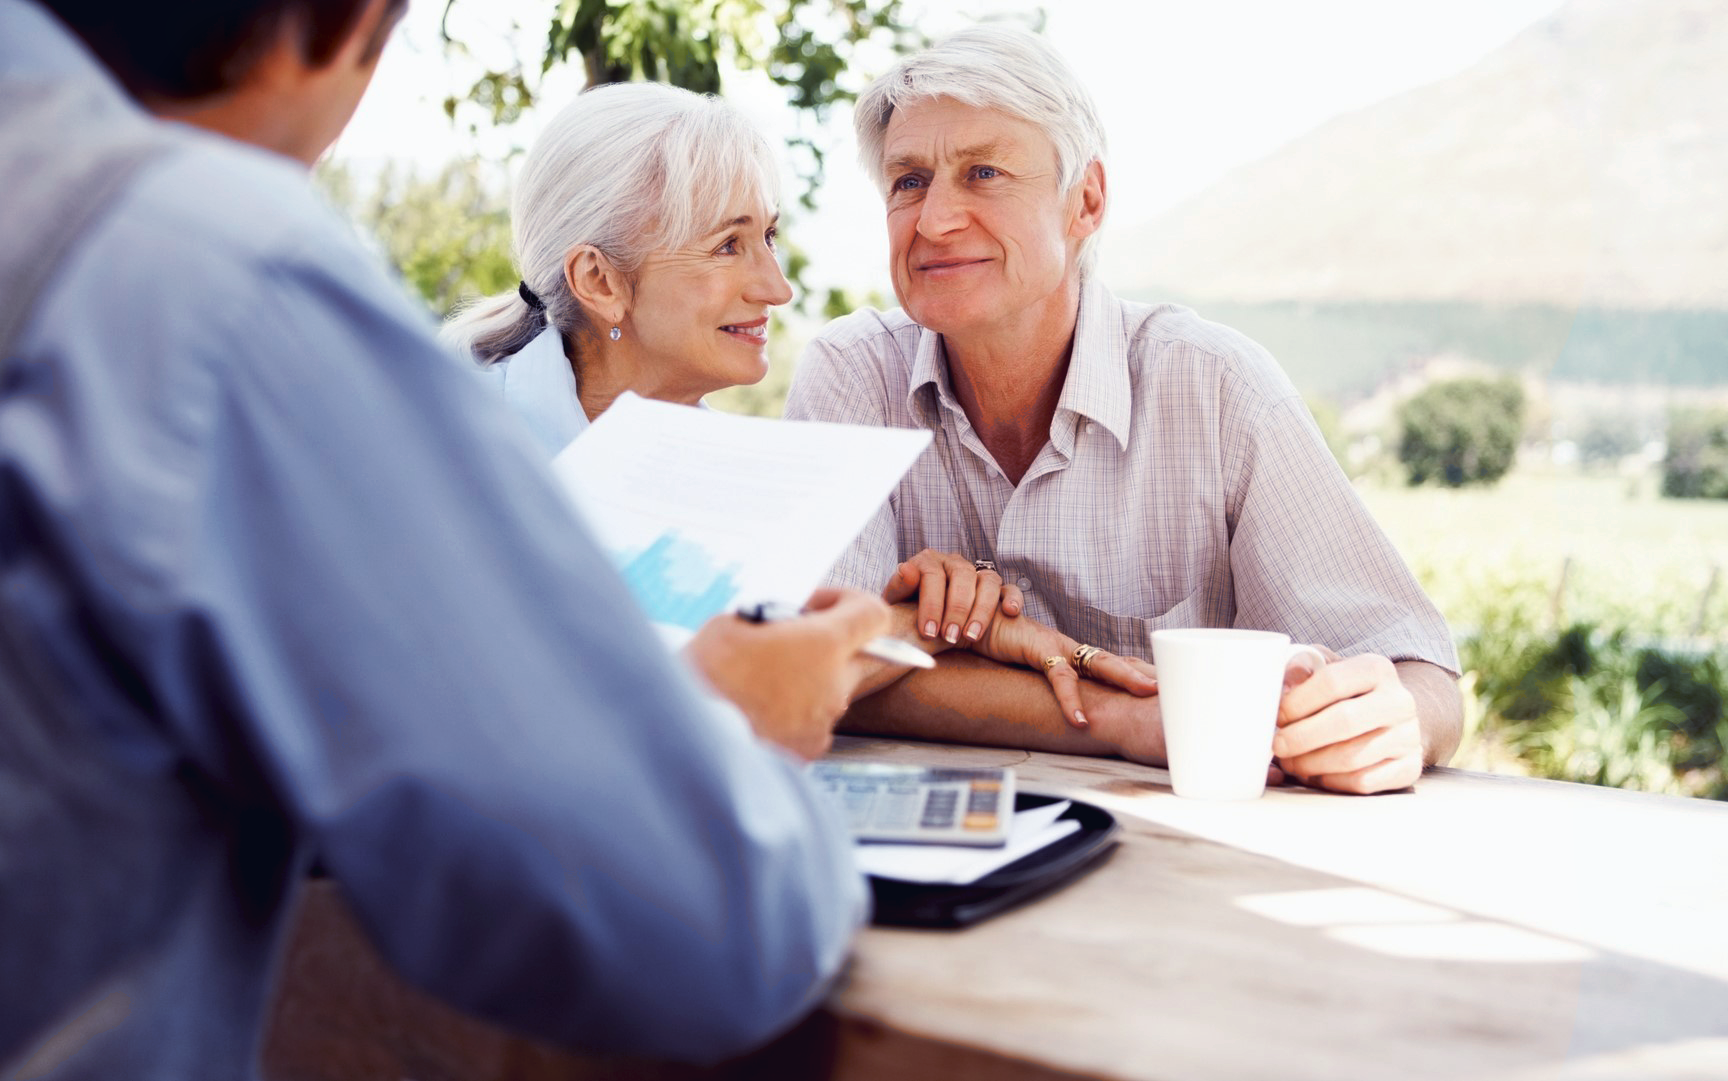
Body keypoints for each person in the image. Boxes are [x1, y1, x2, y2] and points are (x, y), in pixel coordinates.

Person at [0, 0, 890, 1075]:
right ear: (345, 22)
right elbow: (691, 917)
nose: (774, 284)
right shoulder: (210, 277)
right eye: (731, 244)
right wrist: (737, 724)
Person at [785, 24, 1463, 795]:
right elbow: (816, 670)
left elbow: (1423, 672)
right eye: (909, 181)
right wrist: (1129, 715)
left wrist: (1394, 719)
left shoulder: (1216, 388)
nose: (935, 220)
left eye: (983, 173)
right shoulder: (851, 376)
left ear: (1087, 201)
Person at [442, 78, 1160, 726]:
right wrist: (910, 623)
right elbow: (648, 702)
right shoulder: (456, 461)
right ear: (600, 281)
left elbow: (765, 677)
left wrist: (931, 621)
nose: (775, 288)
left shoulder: (716, 470)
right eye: (728, 246)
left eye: (769, 237)